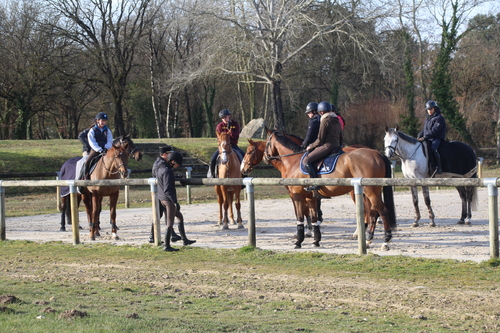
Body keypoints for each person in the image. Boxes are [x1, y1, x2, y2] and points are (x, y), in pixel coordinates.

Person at [156, 150, 196, 251]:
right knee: (170, 223)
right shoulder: (167, 171)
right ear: (173, 162)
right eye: (178, 163)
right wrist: (174, 202)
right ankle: (167, 246)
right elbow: (167, 189)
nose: (178, 166)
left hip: (162, 198)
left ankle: (184, 239)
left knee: (180, 216)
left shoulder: (161, 169)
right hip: (168, 200)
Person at [302, 101, 343, 191]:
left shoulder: (325, 120)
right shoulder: (336, 120)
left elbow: (320, 139)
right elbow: (341, 135)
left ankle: (316, 183)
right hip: (337, 145)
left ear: (321, 112)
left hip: (327, 146)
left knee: (306, 160)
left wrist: (311, 146)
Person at [149, 146, 182, 244]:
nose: (170, 156)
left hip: (161, 191)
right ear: (164, 154)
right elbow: (162, 177)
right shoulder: (161, 164)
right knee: (159, 214)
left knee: (165, 214)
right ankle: (153, 236)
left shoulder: (161, 163)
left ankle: (172, 234)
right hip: (161, 192)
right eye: (169, 154)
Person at [208, 109, 245, 178]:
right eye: (222, 118)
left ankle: (244, 175)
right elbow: (220, 137)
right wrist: (228, 133)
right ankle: (212, 175)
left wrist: (229, 131)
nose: (224, 119)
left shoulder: (235, 124)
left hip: (233, 145)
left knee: (244, 156)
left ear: (229, 116)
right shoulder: (220, 126)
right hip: (223, 147)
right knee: (213, 159)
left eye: (225, 117)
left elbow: (236, 136)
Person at [80, 112, 113, 180]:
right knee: (87, 161)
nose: (103, 122)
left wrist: (106, 148)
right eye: (102, 120)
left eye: (105, 121)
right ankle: (84, 176)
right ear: (98, 120)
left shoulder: (107, 130)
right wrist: (99, 149)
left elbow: (110, 140)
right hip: (96, 150)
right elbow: (92, 142)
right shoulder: (92, 130)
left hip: (106, 149)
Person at [417, 100, 446, 175]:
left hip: (437, 137)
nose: (429, 111)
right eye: (428, 110)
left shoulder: (440, 118)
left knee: (433, 148)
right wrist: (419, 136)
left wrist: (425, 137)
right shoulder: (428, 118)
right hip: (428, 138)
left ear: (435, 108)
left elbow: (435, 131)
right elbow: (424, 130)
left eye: (431, 109)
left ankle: (439, 167)